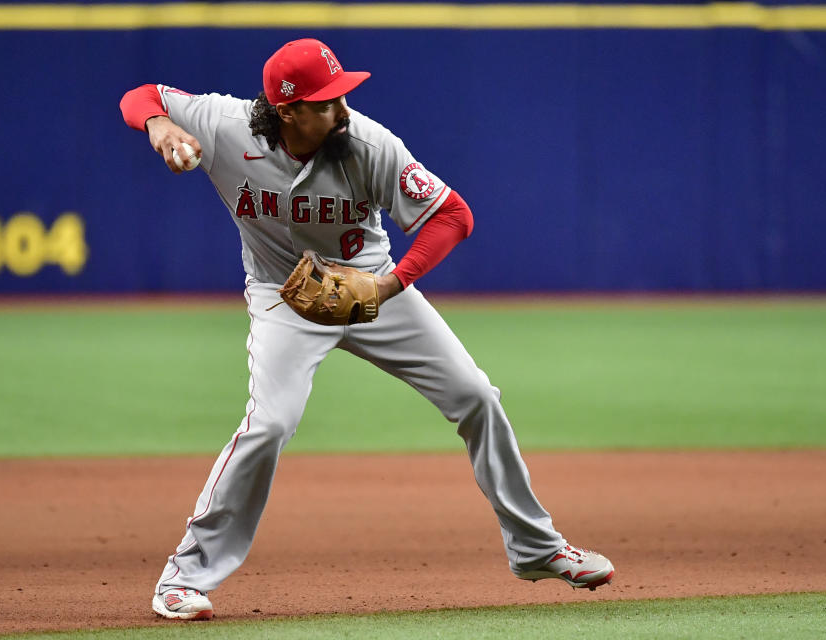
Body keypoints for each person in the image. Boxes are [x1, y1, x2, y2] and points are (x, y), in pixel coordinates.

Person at [119, 38, 614, 620]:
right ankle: (183, 577)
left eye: (341, 95)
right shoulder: (227, 125)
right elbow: (142, 94)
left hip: (372, 287)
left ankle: (536, 548)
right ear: (287, 109)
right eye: (325, 101)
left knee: (476, 396)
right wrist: (158, 126)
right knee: (270, 423)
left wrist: (390, 285)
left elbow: (454, 216)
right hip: (285, 299)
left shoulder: (369, 144)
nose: (341, 107)